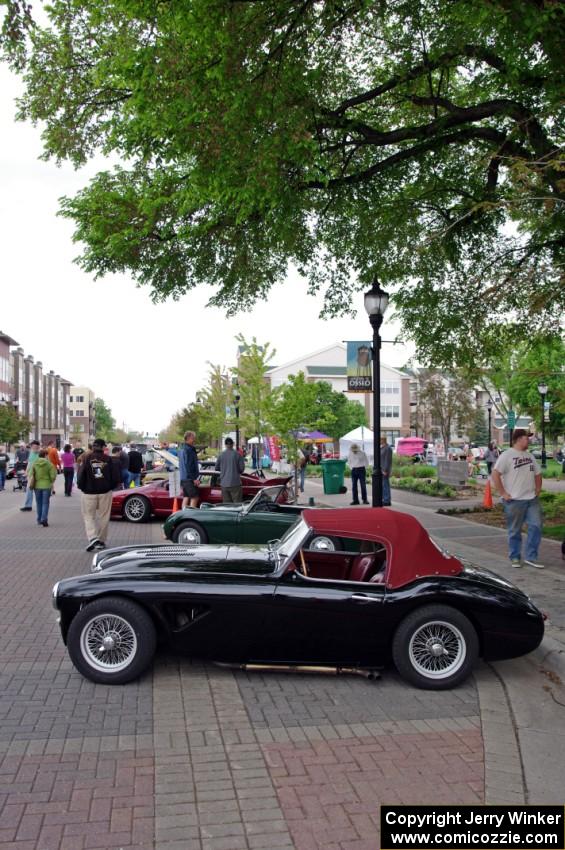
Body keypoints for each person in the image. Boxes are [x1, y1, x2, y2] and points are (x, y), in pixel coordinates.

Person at [491, 429, 543, 569]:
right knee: (515, 530)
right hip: (514, 500)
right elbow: (495, 474)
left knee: (536, 526)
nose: (529, 440)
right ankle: (515, 557)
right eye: (527, 438)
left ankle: (531, 557)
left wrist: (538, 489)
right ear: (519, 439)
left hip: (532, 499)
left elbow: (538, 474)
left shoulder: (530, 456)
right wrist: (503, 493)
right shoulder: (507, 455)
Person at [77, 437, 121, 551]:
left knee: (88, 516)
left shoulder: (86, 458)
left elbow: (81, 474)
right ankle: (101, 540)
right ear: (103, 447)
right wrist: (110, 487)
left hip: (89, 492)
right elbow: (116, 477)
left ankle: (92, 537)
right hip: (105, 492)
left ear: (93, 446)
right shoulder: (108, 459)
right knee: (104, 517)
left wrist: (82, 487)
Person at [27, 448, 57, 526]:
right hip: (46, 486)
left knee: (38, 503)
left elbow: (30, 474)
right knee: (45, 503)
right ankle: (44, 519)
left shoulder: (34, 463)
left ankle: (39, 519)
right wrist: (51, 481)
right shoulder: (49, 464)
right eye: (47, 455)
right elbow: (53, 476)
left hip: (37, 486)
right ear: (45, 455)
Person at [215, 437, 245, 503]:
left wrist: (224, 469)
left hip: (224, 484)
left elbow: (216, 468)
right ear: (232, 444)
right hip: (235, 483)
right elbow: (242, 469)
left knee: (226, 506)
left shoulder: (221, 455)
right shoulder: (238, 455)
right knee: (237, 505)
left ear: (225, 445)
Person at [180, 430, 200, 509]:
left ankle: (183, 515)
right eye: (193, 438)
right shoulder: (189, 450)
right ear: (188, 438)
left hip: (184, 478)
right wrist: (194, 479)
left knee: (186, 497)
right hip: (189, 479)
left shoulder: (181, 449)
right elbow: (189, 465)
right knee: (195, 497)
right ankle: (191, 516)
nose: (194, 439)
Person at [20, 440, 41, 511]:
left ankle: (39, 505)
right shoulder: (31, 452)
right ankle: (28, 506)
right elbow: (29, 463)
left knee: (38, 491)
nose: (33, 448)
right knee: (29, 490)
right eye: (32, 447)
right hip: (31, 475)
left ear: (38, 446)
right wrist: (26, 472)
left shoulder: (41, 453)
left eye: (35, 447)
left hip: (38, 475)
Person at [380, 436, 393, 506]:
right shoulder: (382, 448)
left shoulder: (387, 448)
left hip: (385, 470)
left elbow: (387, 460)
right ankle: (385, 499)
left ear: (383, 440)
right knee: (383, 485)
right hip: (381, 469)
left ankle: (387, 500)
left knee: (385, 485)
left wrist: (385, 470)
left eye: (380, 440)